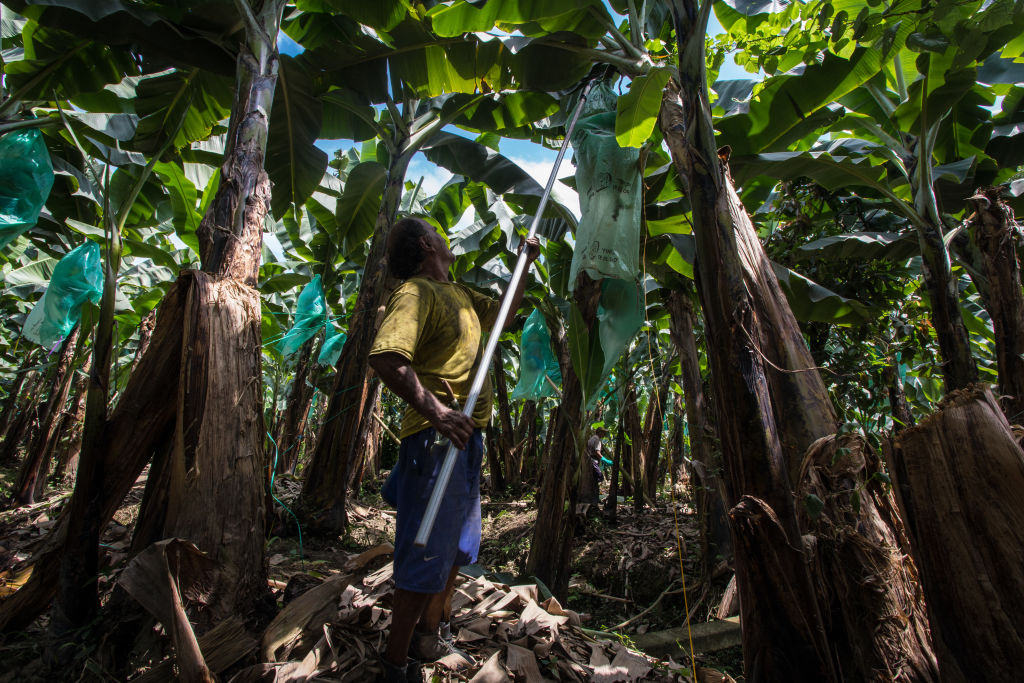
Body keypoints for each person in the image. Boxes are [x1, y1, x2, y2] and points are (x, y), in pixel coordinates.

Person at [368, 216, 540, 682]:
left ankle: (430, 634)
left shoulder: (460, 294)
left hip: (464, 440)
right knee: (423, 550)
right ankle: (395, 663)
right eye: (437, 233)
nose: (446, 238)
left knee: (454, 549)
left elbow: (508, 307)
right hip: (434, 440)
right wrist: (438, 413)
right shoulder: (415, 293)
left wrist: (525, 262)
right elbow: (387, 357)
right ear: (427, 245)